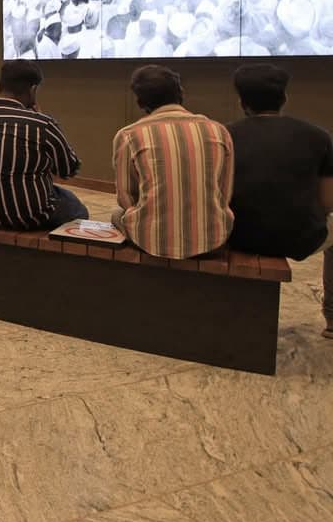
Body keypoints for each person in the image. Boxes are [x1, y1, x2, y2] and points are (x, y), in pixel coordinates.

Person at [227, 64, 333, 335]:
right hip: (301, 237)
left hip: (234, 235)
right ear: (284, 98)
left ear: (242, 102)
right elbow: (329, 202)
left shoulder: (224, 136)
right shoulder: (319, 137)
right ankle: (332, 319)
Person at [112, 65, 234, 259]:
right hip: (214, 240)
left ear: (140, 101)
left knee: (116, 213)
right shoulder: (219, 131)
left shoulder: (129, 135)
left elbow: (125, 198)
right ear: (181, 93)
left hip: (149, 241)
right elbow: (224, 194)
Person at [0, 60, 87, 229]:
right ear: (33, 90)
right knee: (75, 206)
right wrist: (41, 118)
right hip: (27, 217)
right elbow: (69, 169)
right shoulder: (42, 124)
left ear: (0, 85)